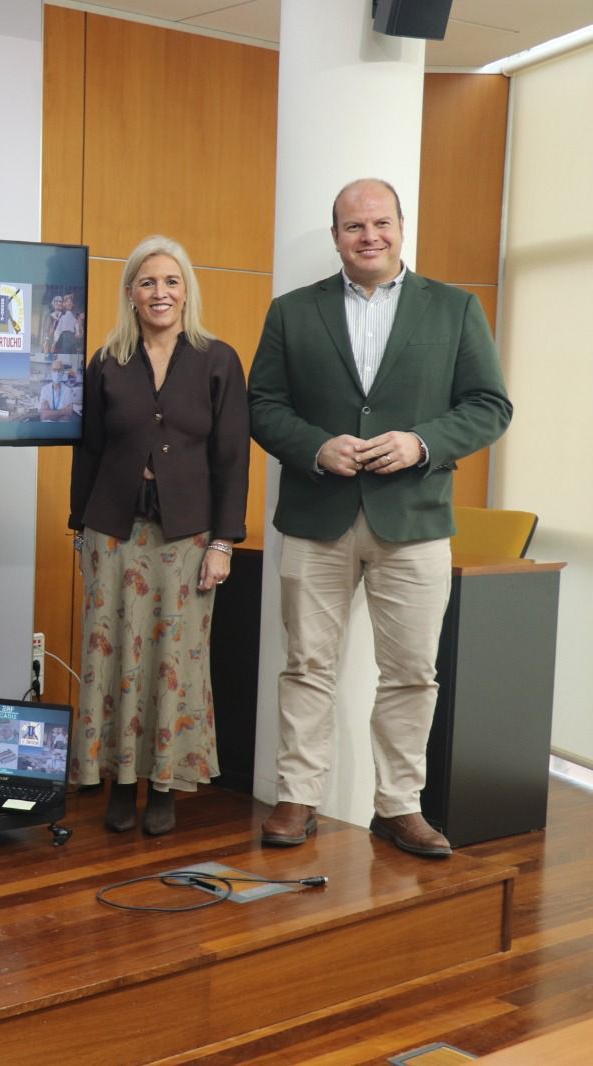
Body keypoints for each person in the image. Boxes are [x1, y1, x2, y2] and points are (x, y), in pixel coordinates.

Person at [248, 178, 512, 858]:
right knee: (306, 665)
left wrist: (421, 443)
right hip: (317, 516)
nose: (369, 236)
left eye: (380, 223)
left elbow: (488, 405)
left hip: (416, 519)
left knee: (412, 673)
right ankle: (298, 798)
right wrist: (314, 446)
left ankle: (398, 806)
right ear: (335, 234)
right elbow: (264, 405)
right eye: (353, 226)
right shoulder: (290, 312)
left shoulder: (454, 309)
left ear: (402, 226)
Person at [68, 235, 249, 837]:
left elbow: (231, 459)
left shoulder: (217, 359)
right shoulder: (107, 361)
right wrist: (79, 531)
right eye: (148, 282)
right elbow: (88, 450)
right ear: (131, 294)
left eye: (171, 282)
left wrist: (224, 542)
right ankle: (121, 782)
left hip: (188, 540)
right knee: (114, 653)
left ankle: (165, 783)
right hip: (113, 533)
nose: (160, 292)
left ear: (186, 290)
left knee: (175, 660)